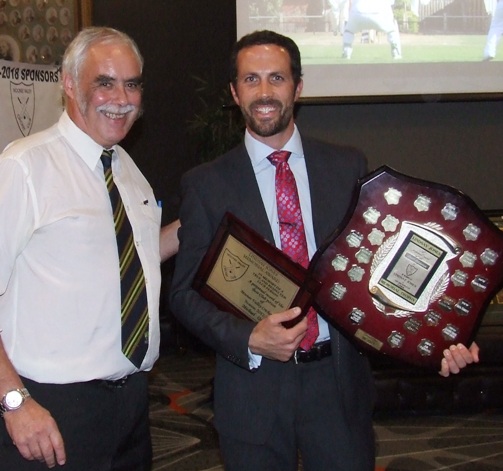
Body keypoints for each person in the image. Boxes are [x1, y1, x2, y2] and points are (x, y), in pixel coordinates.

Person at [170, 29, 479, 471]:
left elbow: (384, 271)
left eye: (276, 79)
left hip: (337, 384)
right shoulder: (205, 184)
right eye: (251, 80)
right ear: (234, 93)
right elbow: (183, 295)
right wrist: (249, 338)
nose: (264, 92)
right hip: (253, 388)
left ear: (298, 87)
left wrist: (441, 337)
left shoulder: (348, 167)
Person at [0, 27, 178, 470]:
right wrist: (14, 402)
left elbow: (128, 262)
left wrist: (202, 225)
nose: (122, 97)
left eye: (132, 83)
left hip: (132, 408)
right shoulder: (23, 167)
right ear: (68, 83)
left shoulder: (127, 170)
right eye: (105, 82)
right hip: (49, 410)